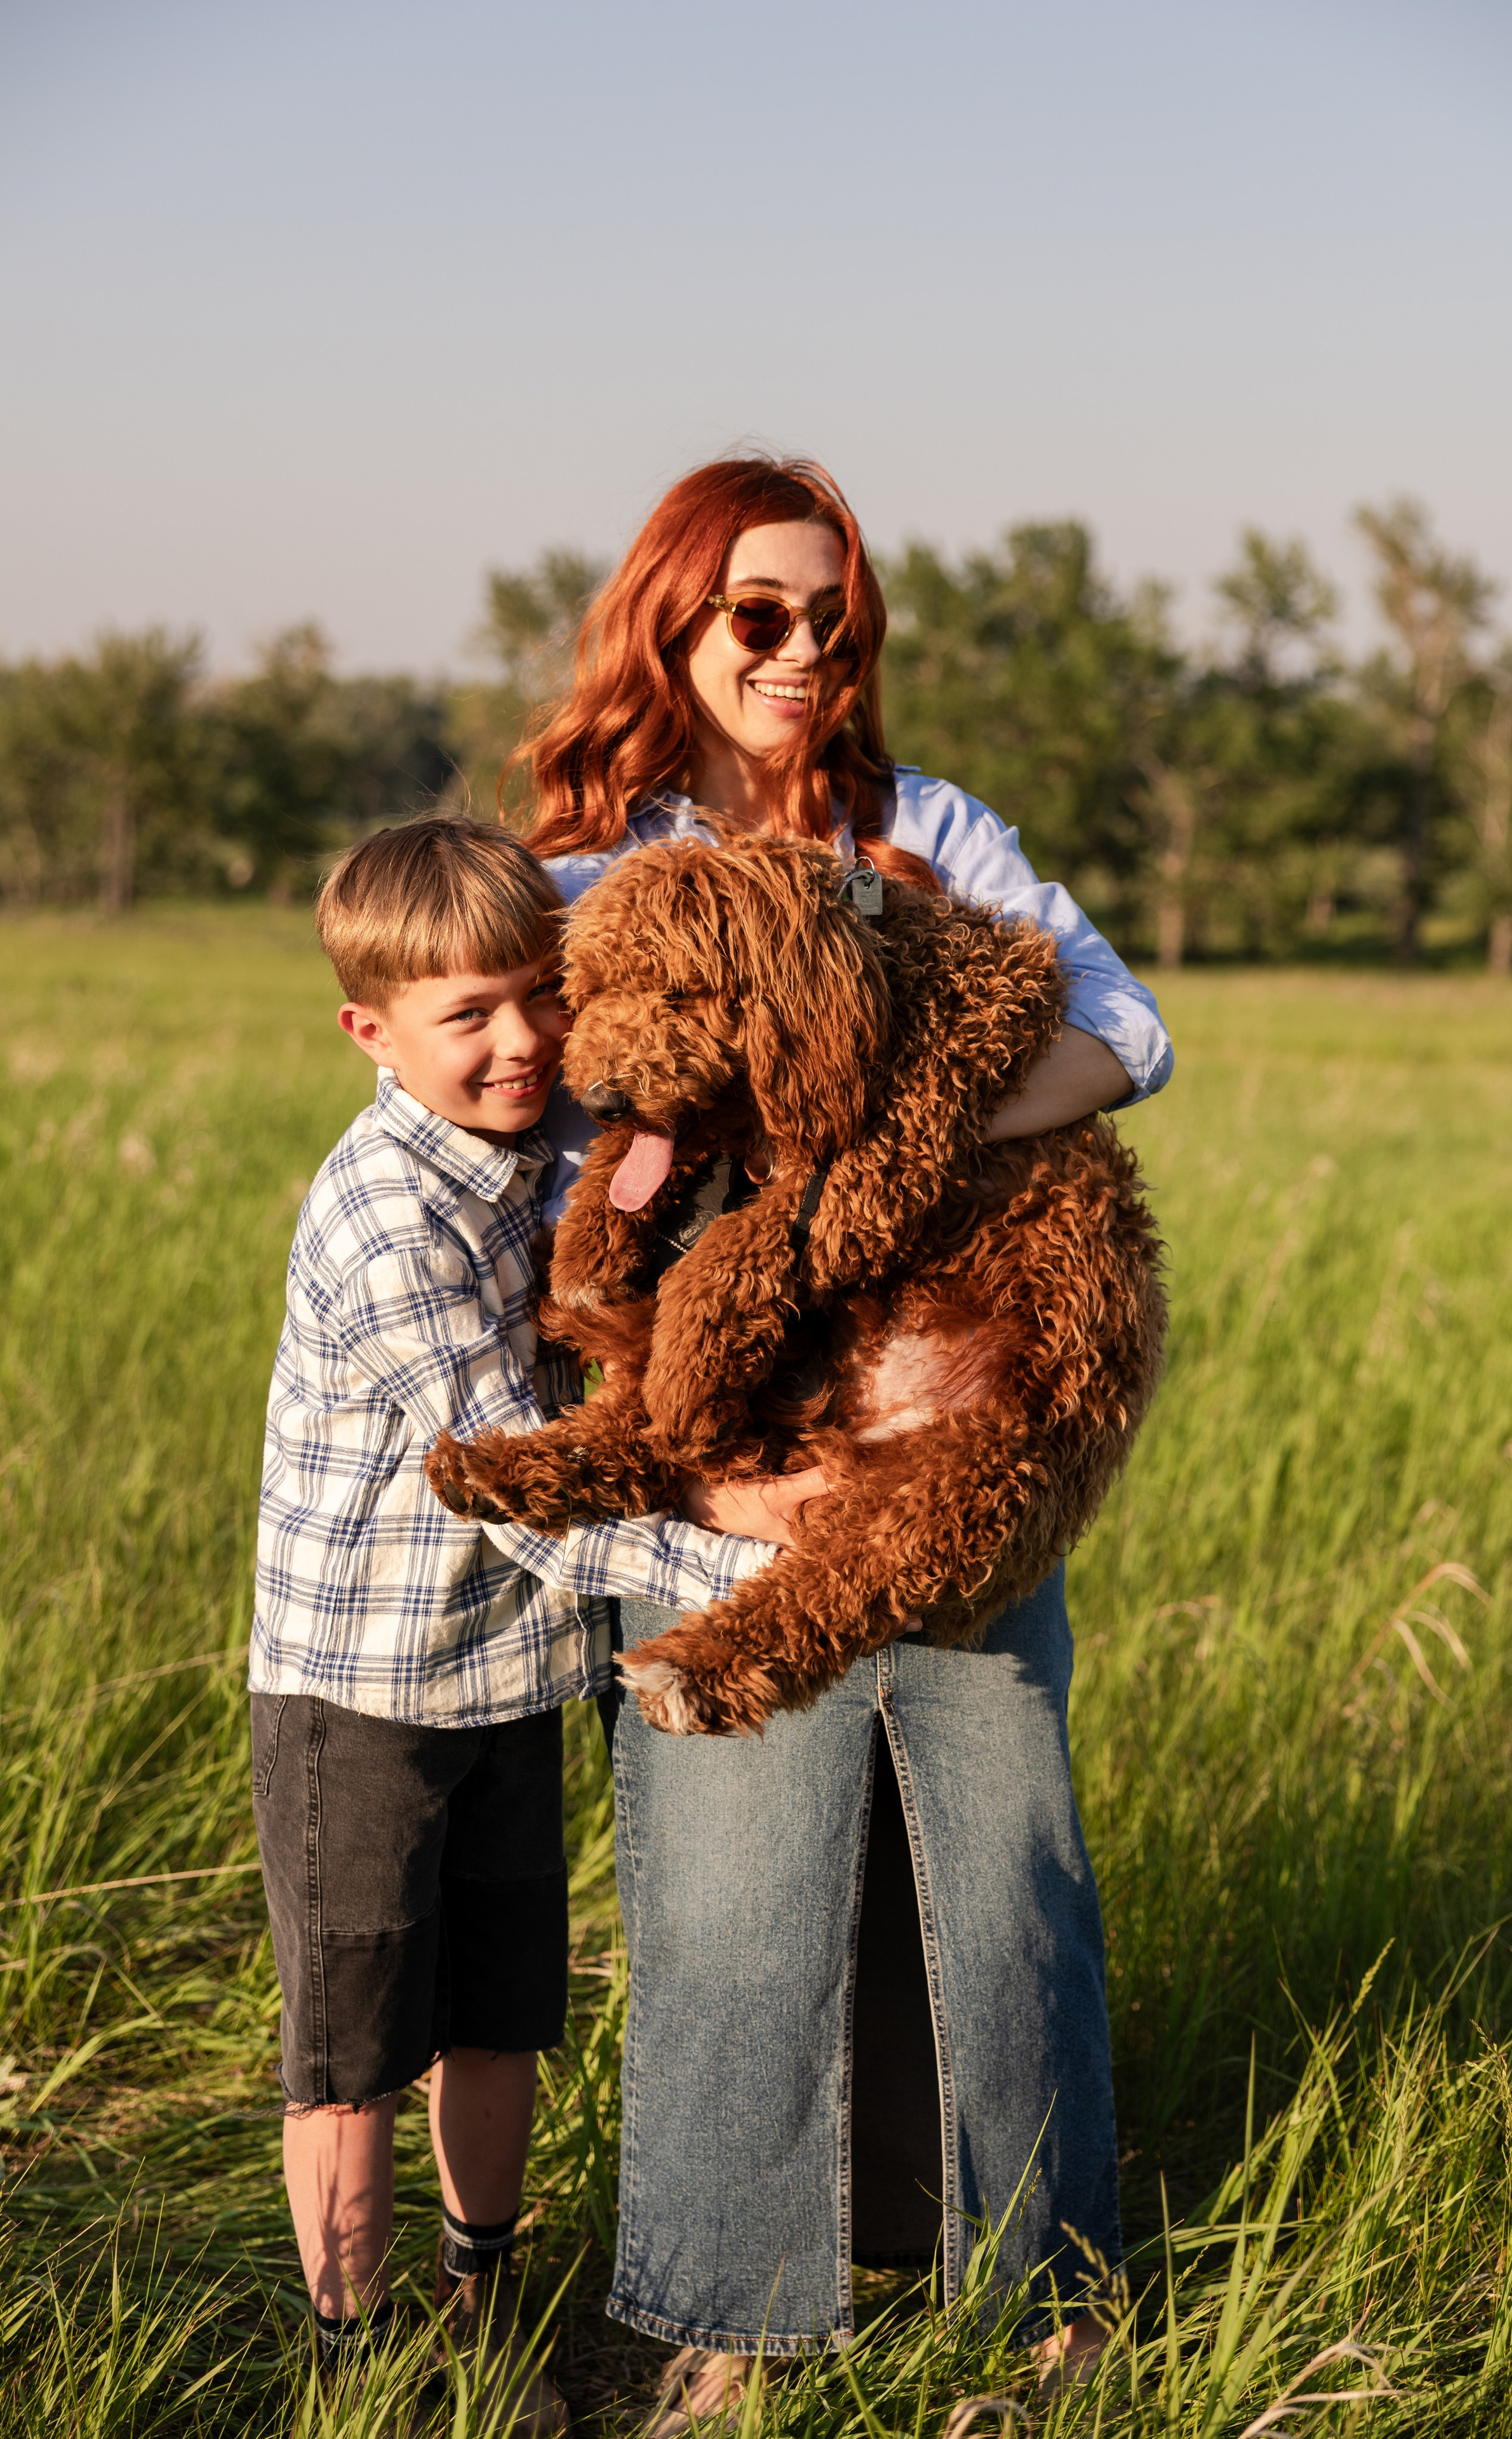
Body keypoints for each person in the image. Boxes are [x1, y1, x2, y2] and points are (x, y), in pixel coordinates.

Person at [512, 457, 1173, 2422]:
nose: (805, 653)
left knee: (1006, 1874)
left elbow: (1123, 1032)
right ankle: (722, 2329)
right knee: (729, 1895)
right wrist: (691, 1443)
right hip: (717, 1446)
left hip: (954, 1426)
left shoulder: (926, 831)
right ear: (672, 626)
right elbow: (521, 1137)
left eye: (835, 620)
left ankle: (1049, 2319)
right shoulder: (583, 868)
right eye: (761, 617)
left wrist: (885, 1141)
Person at [249, 817, 779, 2430]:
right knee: (354, 2049)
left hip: (512, 1679)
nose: (520, 1041)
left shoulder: (559, 1145)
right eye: (466, 1014)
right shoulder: (388, 1217)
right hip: (365, 1694)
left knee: (499, 2014)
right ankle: (358, 2356)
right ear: (371, 1031)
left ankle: (483, 2300)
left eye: (540, 996)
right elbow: (518, 1489)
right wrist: (757, 1571)